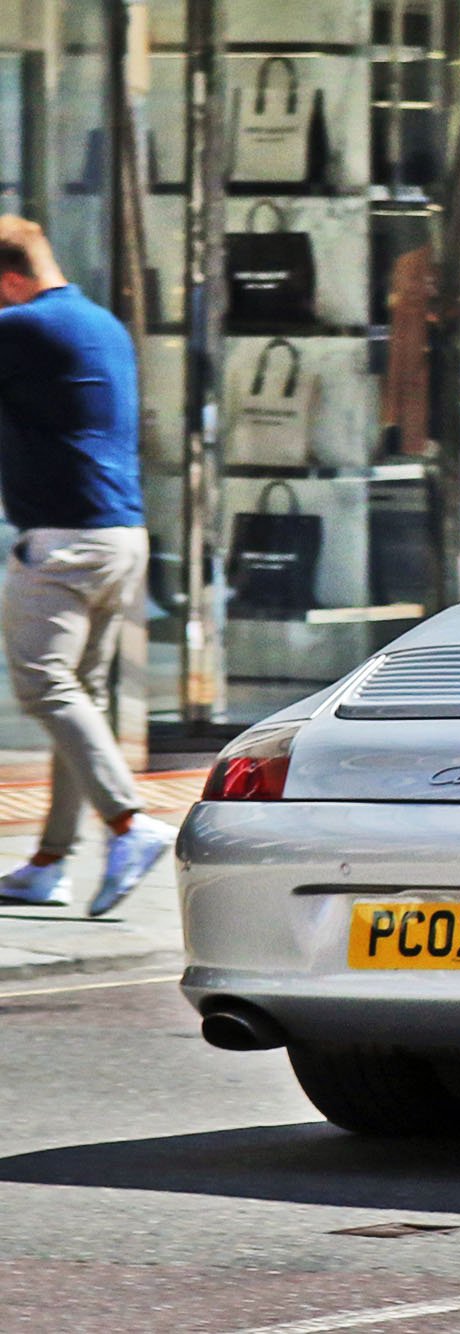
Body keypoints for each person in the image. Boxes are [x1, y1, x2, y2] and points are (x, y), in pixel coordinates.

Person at [0, 216, 172, 916]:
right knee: (85, 702)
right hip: (119, 537)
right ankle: (49, 862)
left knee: (43, 686)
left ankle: (128, 824)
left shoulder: (26, 328)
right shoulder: (99, 322)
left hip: (67, 543)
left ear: (10, 279)